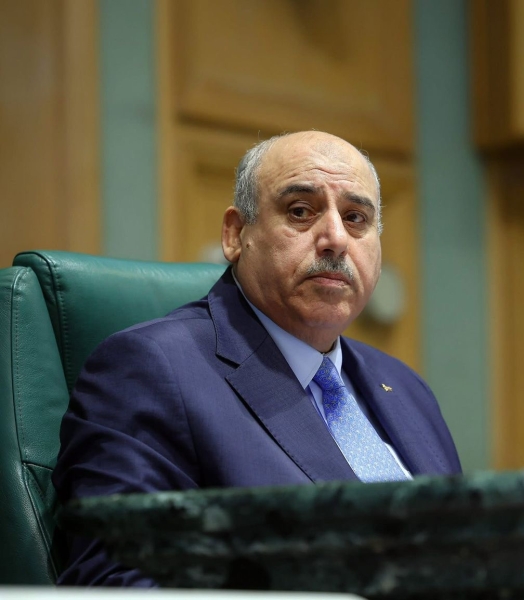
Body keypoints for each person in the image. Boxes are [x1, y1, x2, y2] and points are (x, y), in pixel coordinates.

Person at [52, 131, 462, 586]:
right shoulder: (148, 369)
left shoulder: (406, 388)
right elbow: (117, 581)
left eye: (355, 218)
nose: (335, 238)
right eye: (300, 211)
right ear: (235, 234)